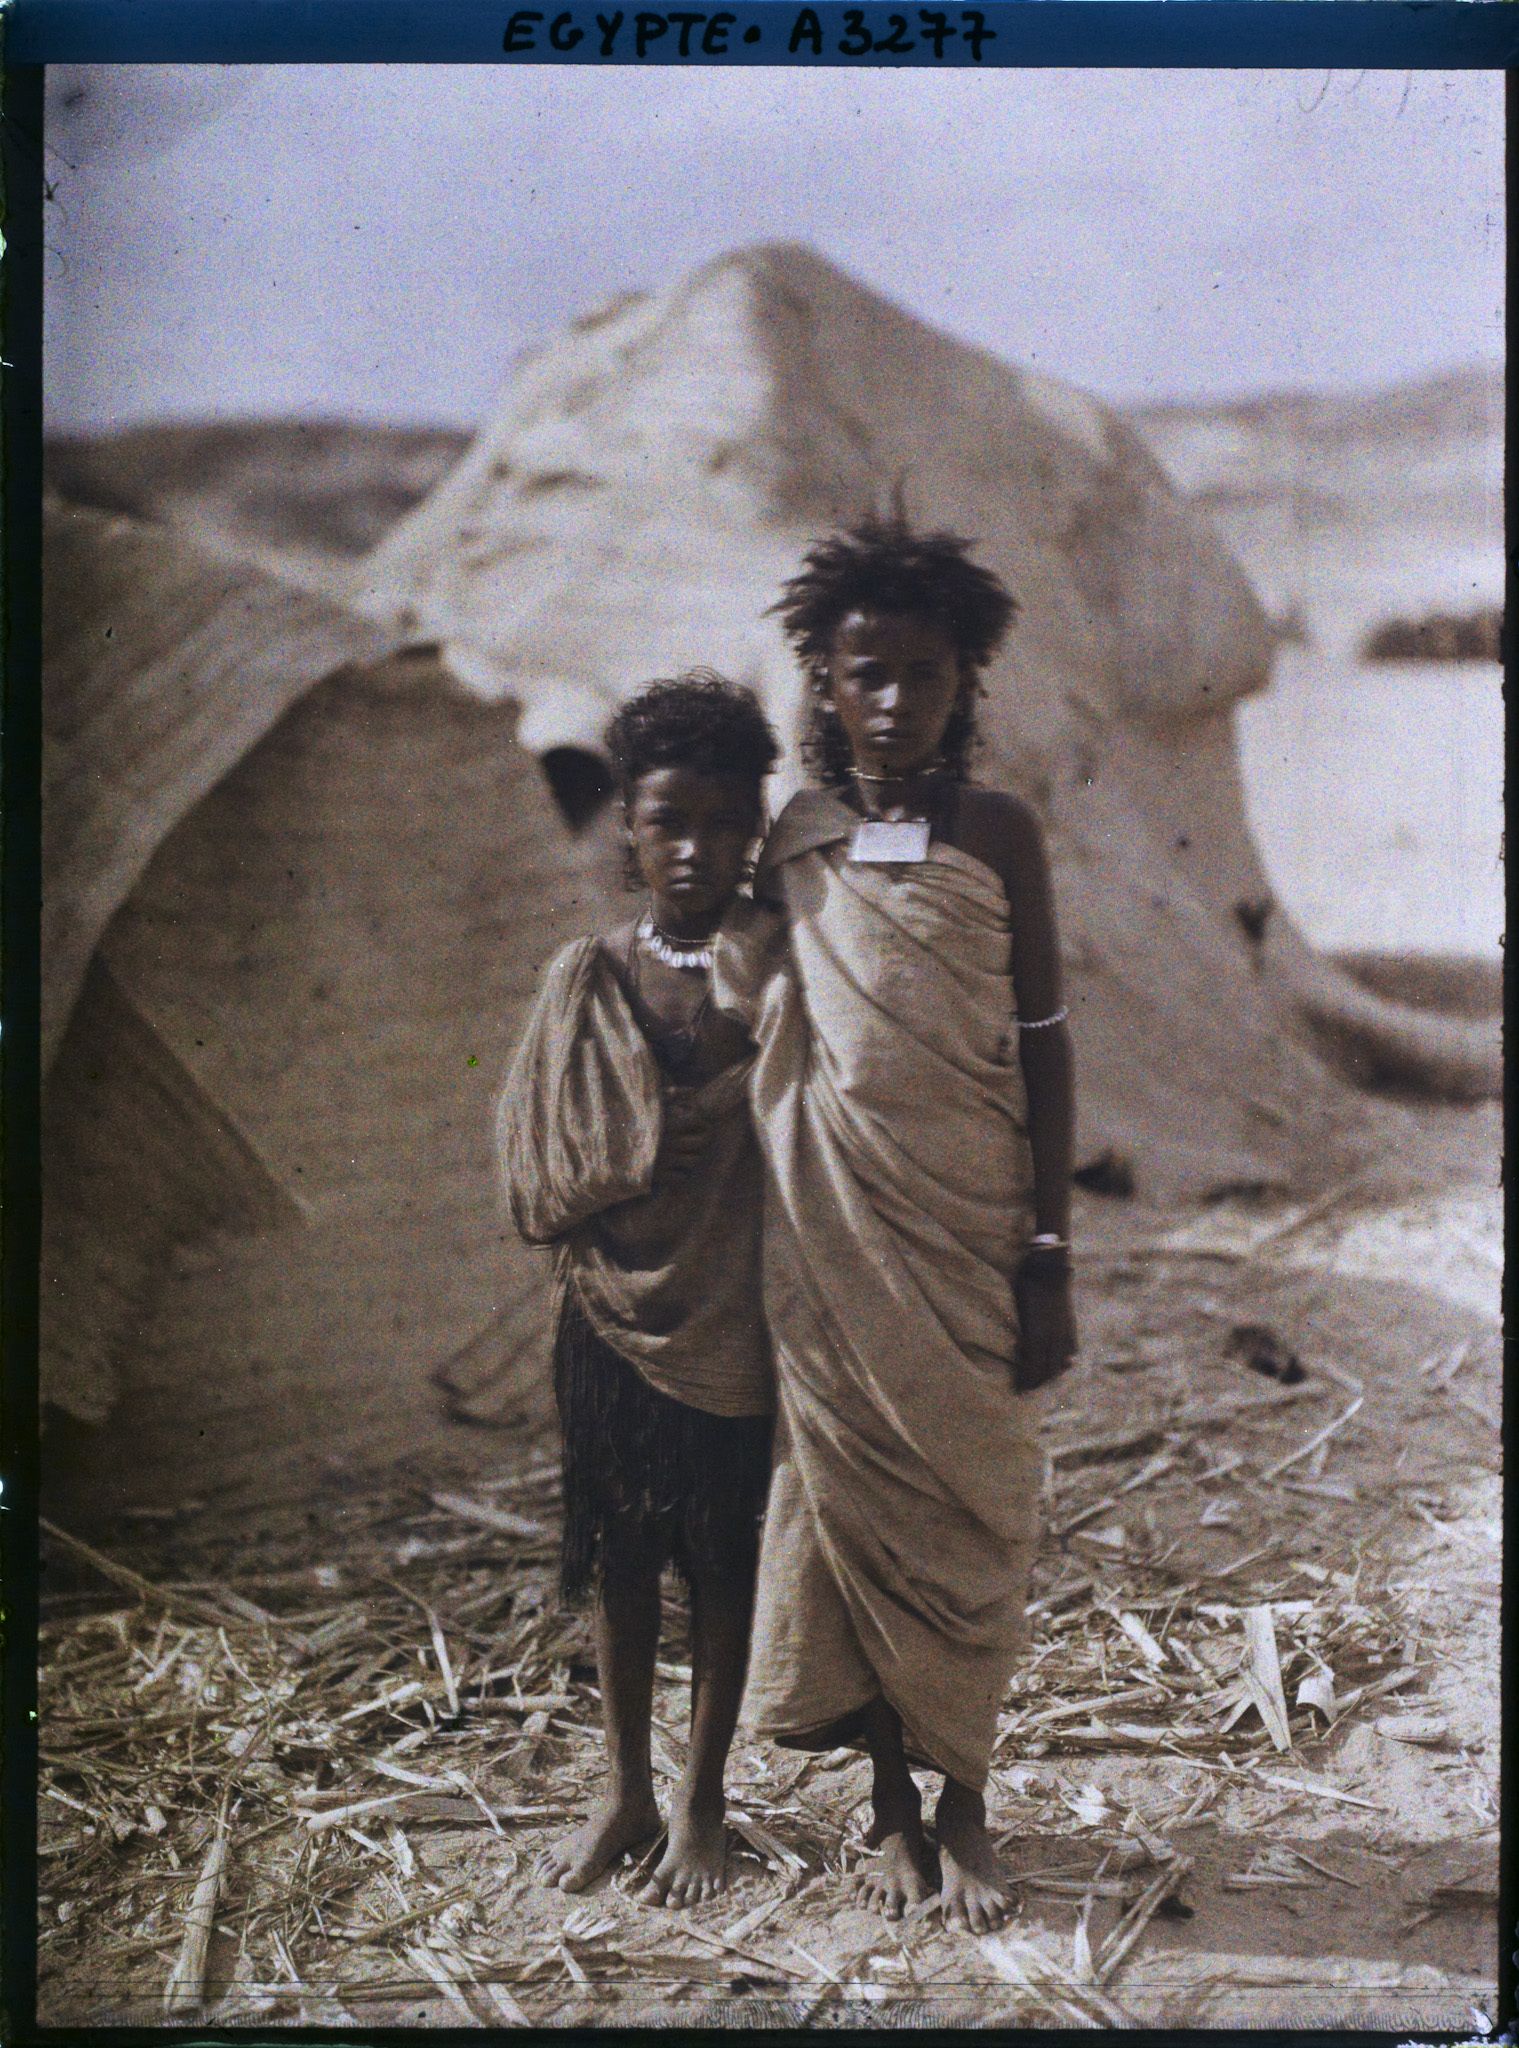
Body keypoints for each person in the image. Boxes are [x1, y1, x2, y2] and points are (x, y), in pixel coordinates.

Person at [715, 513, 1078, 1933]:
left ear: (959, 685)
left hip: (973, 1219)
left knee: (977, 1505)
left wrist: (1047, 1250)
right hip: (826, 1226)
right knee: (848, 1500)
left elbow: (1041, 1037)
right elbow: (742, 991)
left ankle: (967, 1801)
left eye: (919, 676)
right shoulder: (790, 840)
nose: (890, 701)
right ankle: (885, 1807)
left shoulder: (998, 834)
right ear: (818, 676)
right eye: (863, 673)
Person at [499, 671, 780, 1905]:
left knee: (723, 1556)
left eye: (724, 823)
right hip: (611, 1318)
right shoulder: (594, 975)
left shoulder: (778, 976)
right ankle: (621, 1787)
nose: (695, 848)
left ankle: (702, 1800)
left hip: (732, 1316)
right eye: (669, 821)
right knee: (618, 1550)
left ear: (755, 829)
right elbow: (542, 1159)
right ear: (628, 822)